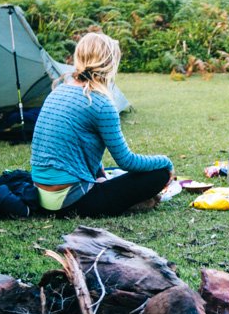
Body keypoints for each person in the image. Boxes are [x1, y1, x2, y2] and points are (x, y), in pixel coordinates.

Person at [31, 32, 173, 216]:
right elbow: (127, 161)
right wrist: (166, 162)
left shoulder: (58, 91)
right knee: (158, 174)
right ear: (110, 63)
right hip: (70, 202)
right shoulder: (100, 103)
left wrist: (99, 176)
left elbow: (79, 147)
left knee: (112, 172)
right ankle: (135, 202)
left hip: (40, 195)